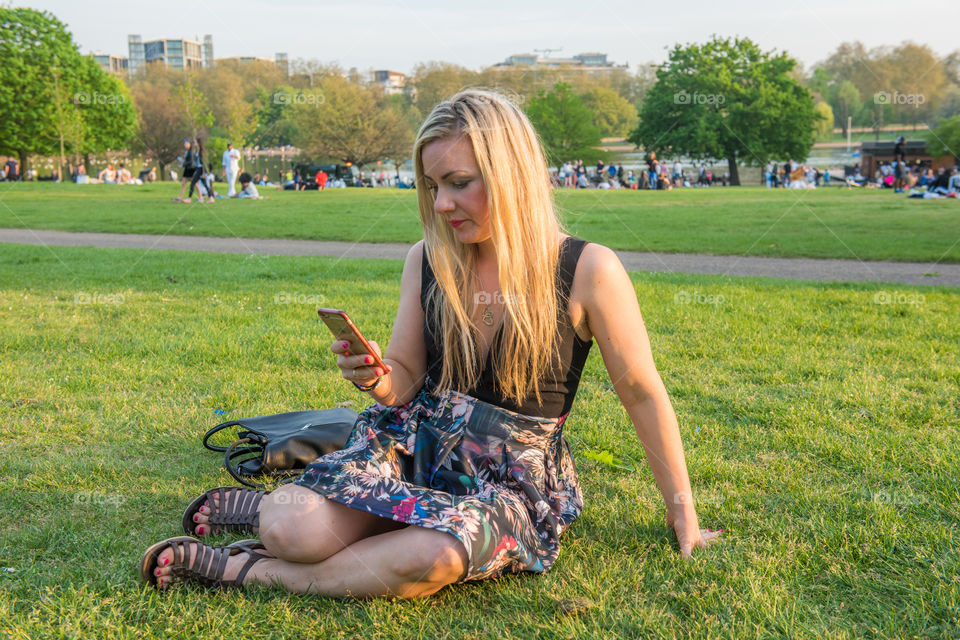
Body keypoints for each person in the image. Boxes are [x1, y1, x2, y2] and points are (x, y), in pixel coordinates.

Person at [140, 89, 719, 598]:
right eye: (433, 185)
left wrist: (682, 511)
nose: (441, 205)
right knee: (290, 531)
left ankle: (250, 572)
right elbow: (404, 381)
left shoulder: (589, 269)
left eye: (460, 184)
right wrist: (375, 376)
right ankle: (270, 520)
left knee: (437, 553)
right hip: (417, 444)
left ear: (512, 176)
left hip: (508, 481)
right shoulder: (428, 260)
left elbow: (642, 392)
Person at [184, 139, 214, 204]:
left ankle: (189, 198)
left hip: (201, 169)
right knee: (205, 184)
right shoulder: (197, 150)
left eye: (195, 142)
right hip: (198, 169)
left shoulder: (201, 151)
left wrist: (203, 173)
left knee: (193, 182)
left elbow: (203, 163)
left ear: (198, 143)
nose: (194, 143)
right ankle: (211, 198)